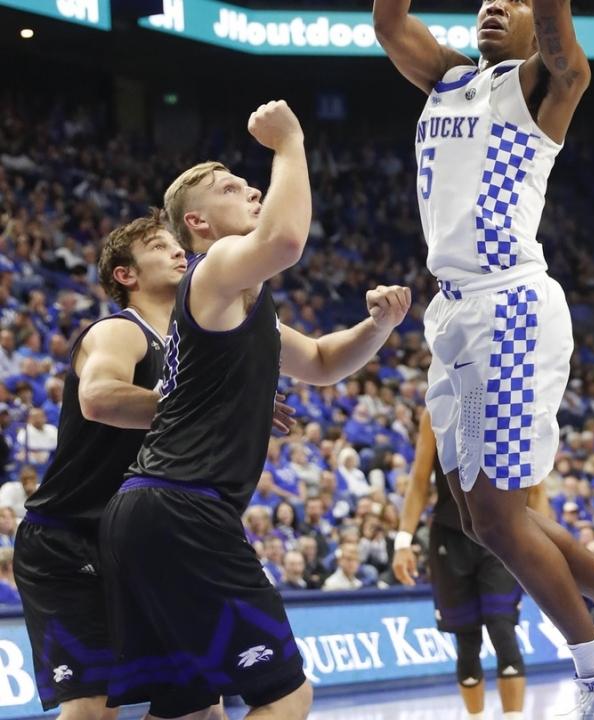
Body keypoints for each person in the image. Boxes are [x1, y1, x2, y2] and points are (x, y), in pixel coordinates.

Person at [373, 0, 594, 716]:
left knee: (495, 513)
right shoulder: (448, 78)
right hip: (454, 312)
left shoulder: (546, 84)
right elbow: (389, 23)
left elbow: (561, 46)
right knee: (480, 515)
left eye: (512, 0)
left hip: (508, 306)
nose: (492, 5)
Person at [97, 101, 410, 720]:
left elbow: (322, 361)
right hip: (182, 507)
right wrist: (290, 141)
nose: (254, 191)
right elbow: (286, 240)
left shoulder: (241, 305)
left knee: (191, 708)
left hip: (150, 513)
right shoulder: (212, 270)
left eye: (248, 184)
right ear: (197, 223)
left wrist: (379, 325)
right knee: (287, 695)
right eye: (231, 188)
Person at [13, 213, 184, 719]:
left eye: (178, 244)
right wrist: (200, 404)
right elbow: (99, 397)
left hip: (138, 541)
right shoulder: (119, 331)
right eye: (159, 246)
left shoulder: (193, 345)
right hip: (68, 536)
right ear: (126, 275)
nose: (178, 251)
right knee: (92, 707)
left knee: (195, 702)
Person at [393, 410, 538, 720]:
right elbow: (419, 479)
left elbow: (536, 485)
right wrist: (403, 541)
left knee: (503, 629)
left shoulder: (511, 401)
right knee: (466, 639)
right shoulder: (437, 408)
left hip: (500, 534)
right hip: (451, 532)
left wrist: (540, 548)